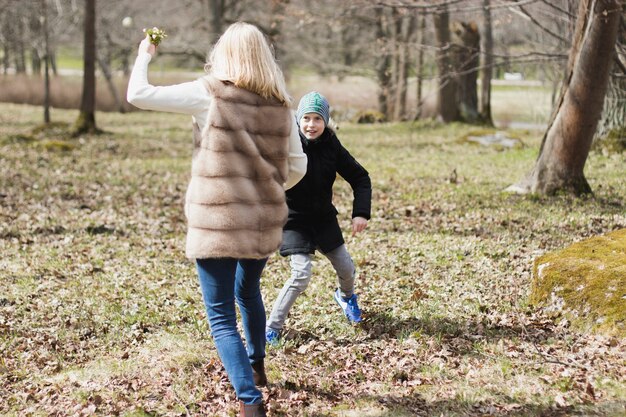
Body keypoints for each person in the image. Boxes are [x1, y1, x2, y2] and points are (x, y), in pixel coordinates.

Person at [127, 22, 307, 417]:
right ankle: (257, 365)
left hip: (219, 221)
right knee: (249, 293)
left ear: (224, 53)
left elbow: (138, 94)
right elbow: (298, 166)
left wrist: (145, 54)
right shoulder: (281, 106)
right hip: (261, 218)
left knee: (222, 314)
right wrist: (266, 184)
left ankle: (251, 403)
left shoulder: (209, 92)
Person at [265, 91, 372, 345]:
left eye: (317, 119)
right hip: (295, 220)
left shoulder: (332, 145)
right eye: (306, 118)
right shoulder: (286, 144)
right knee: (301, 274)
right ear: (298, 120)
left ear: (326, 122)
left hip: (323, 218)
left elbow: (360, 177)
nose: (311, 125)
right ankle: (272, 327)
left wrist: (360, 212)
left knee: (346, 267)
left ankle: (346, 297)